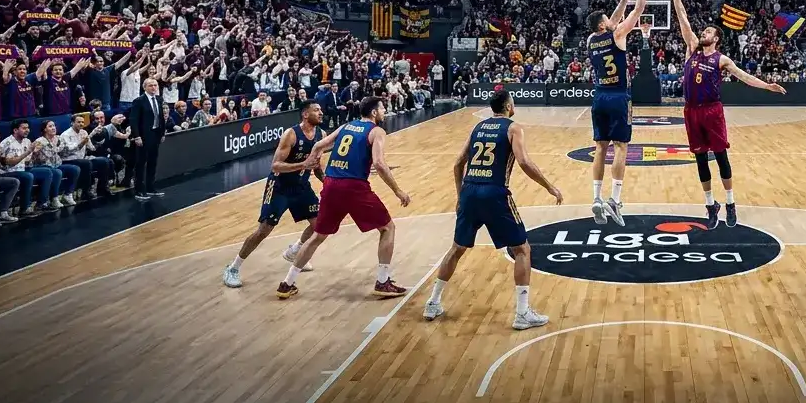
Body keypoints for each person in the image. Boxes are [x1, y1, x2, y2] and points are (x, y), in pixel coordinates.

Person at [423, 88, 563, 329]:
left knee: (457, 248)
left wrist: (459, 196)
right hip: (494, 193)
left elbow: (457, 164)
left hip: (469, 191)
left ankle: (433, 302)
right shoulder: (513, 128)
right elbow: (524, 161)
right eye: (513, 102)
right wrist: (549, 186)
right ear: (508, 106)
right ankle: (522, 313)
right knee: (522, 249)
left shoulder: (477, 127)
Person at [669, 0, 785, 227]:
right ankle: (711, 205)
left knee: (721, 157)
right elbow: (682, 17)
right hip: (691, 111)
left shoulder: (721, 59)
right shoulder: (692, 48)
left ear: (716, 39)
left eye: (708, 31)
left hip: (712, 111)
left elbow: (744, 76)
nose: (704, 33)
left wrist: (767, 86)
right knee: (701, 160)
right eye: (704, 30)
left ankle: (730, 203)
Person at [279, 96, 411, 299]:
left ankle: (287, 283)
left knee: (318, 236)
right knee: (387, 228)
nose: (384, 111)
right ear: (374, 112)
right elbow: (379, 163)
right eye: (382, 108)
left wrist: (310, 163)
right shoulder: (377, 131)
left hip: (331, 183)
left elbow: (318, 146)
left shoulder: (346, 126)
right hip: (354, 186)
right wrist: (398, 191)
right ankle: (383, 281)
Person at [223, 101, 325, 288]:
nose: (321, 113)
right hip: (279, 186)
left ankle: (295, 251)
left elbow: (316, 165)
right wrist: (303, 165)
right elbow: (276, 165)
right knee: (264, 230)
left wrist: (327, 182)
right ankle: (233, 268)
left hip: (301, 186)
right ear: (305, 114)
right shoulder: (291, 134)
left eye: (320, 110)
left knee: (319, 224)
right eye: (316, 110)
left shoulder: (321, 135)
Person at [586, 0, 648, 227]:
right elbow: (638, 11)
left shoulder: (591, 39)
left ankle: (596, 198)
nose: (611, 20)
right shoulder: (618, 35)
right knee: (621, 147)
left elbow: (613, 20)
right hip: (619, 96)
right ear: (603, 25)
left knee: (600, 147)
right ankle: (614, 199)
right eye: (607, 19)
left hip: (599, 96)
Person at [128, 77, 168, 201]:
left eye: (155, 85)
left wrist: (162, 133)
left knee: (153, 162)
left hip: (156, 134)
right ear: (144, 87)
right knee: (141, 163)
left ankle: (151, 188)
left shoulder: (159, 99)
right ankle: (139, 190)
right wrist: (137, 136)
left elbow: (161, 118)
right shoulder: (139, 101)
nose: (153, 88)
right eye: (150, 85)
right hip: (144, 135)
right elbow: (133, 120)